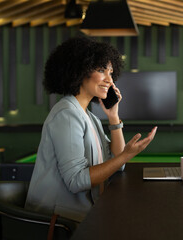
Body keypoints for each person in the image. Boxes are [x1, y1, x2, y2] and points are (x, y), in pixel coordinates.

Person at [25, 36, 157, 223]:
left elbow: (117, 164)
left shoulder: (89, 116)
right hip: (58, 222)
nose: (110, 80)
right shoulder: (67, 115)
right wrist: (127, 154)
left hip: (81, 214)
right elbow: (77, 181)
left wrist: (113, 116)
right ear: (79, 71)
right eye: (102, 70)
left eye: (111, 72)